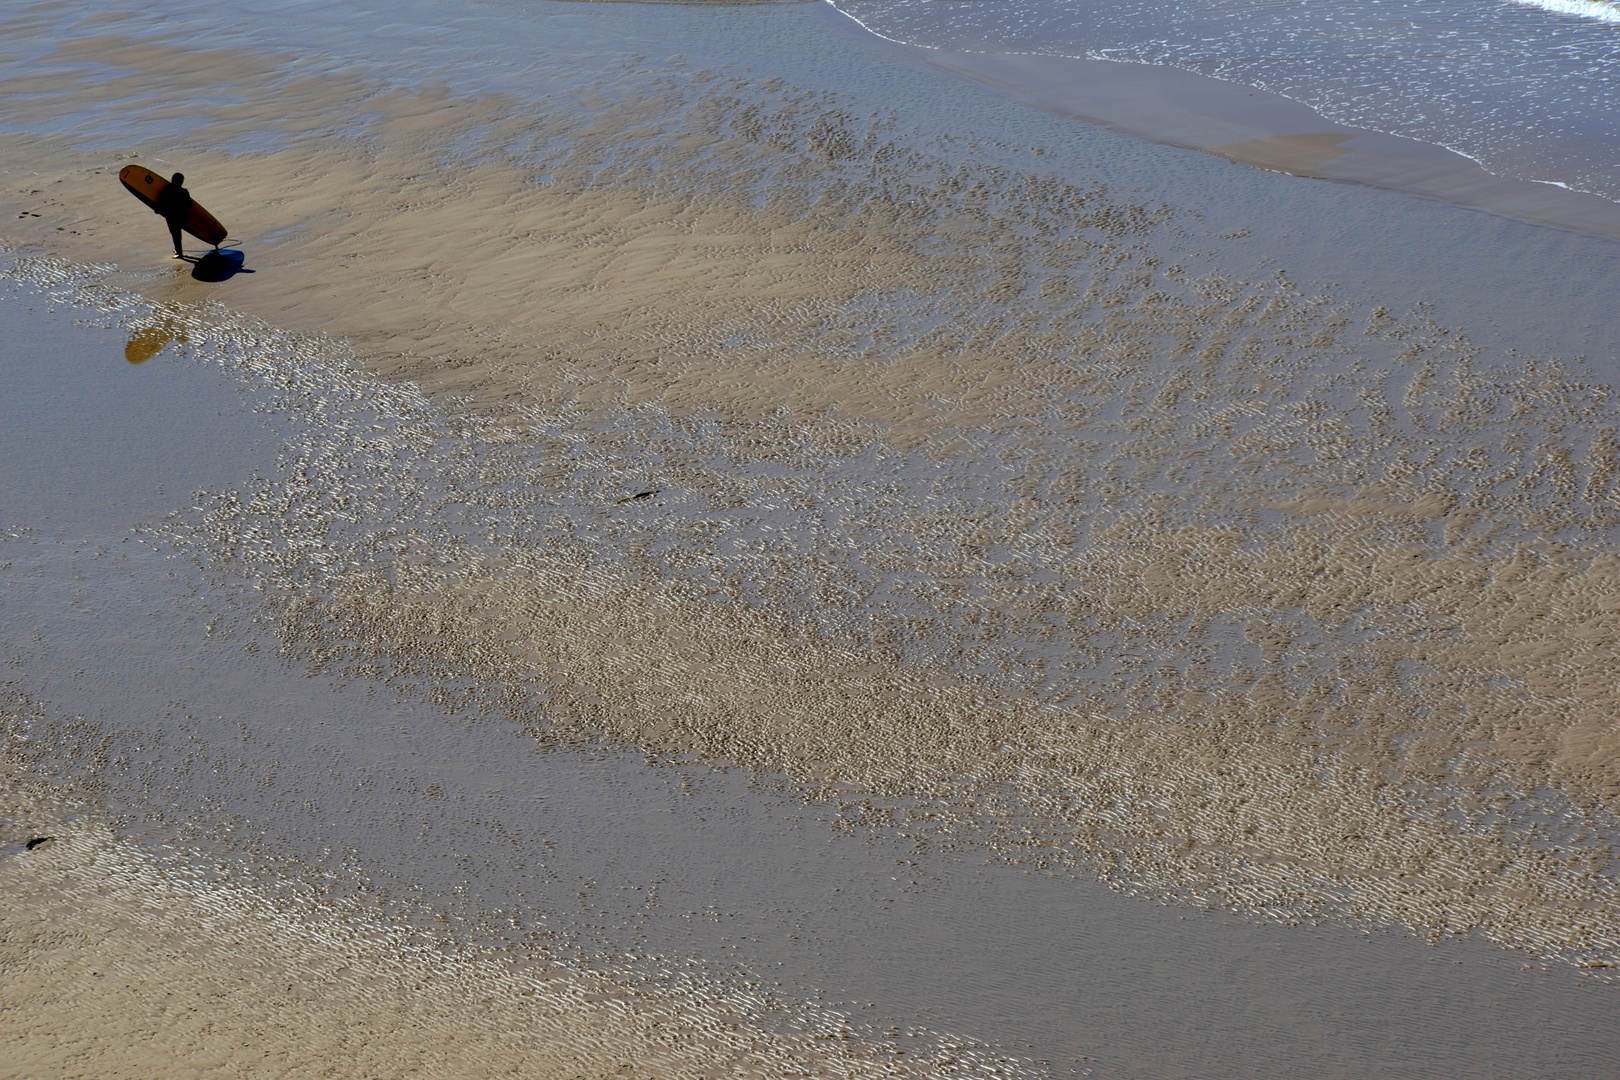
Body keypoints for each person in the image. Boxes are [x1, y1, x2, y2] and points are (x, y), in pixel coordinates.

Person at [153, 172, 192, 259]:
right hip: (183, 216)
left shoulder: (167, 191)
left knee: (175, 234)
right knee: (177, 234)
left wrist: (157, 210)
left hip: (171, 216)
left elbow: (161, 202)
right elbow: (190, 204)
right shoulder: (184, 191)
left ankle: (179, 253)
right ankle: (177, 250)